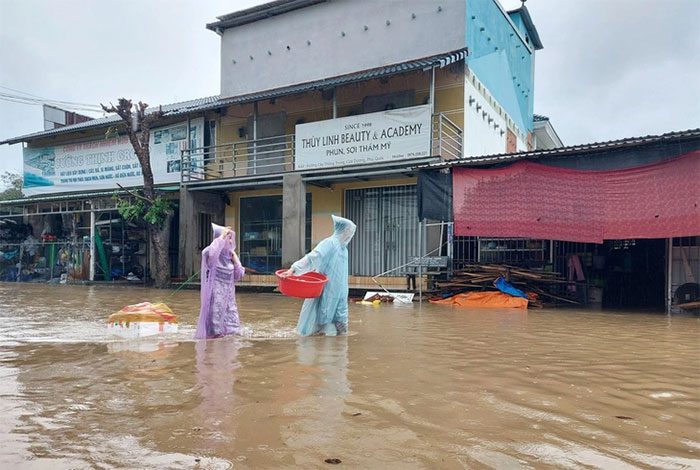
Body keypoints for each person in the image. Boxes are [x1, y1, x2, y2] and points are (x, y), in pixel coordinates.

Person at [281, 215, 356, 336]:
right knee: (323, 320)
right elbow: (312, 257)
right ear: (343, 230)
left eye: (351, 232)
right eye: (349, 231)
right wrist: (293, 269)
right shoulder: (329, 243)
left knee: (341, 325)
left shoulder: (344, 249)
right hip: (327, 290)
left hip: (341, 292)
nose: (350, 235)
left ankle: (339, 347)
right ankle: (320, 345)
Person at [194, 223, 245, 339]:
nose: (231, 242)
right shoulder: (210, 254)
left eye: (231, 238)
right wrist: (222, 236)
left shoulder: (230, 257)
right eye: (229, 238)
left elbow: (239, 275)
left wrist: (236, 261)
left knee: (233, 331)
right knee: (215, 331)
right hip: (215, 296)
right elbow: (213, 252)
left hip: (229, 298)